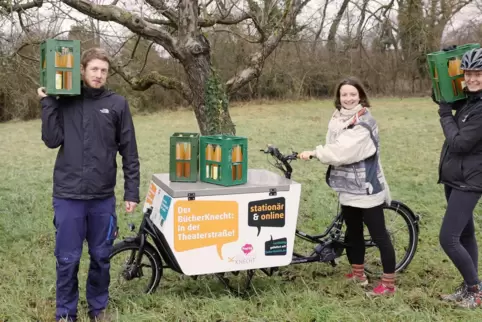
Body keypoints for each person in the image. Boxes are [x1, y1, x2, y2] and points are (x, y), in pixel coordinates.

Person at [39, 47, 140, 321]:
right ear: (82, 70)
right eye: (94, 69)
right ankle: (65, 313)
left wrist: (131, 192)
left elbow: (129, 150)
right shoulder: (66, 99)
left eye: (103, 70)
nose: (98, 75)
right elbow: (51, 140)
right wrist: (48, 102)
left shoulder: (117, 103)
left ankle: (98, 308)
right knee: (68, 259)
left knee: (101, 257)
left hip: (102, 197)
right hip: (68, 195)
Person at [298, 77, 396, 296]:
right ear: (338, 97)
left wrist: (316, 152)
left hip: (366, 188)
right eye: (344, 94)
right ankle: (358, 273)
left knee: (379, 235)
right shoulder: (338, 117)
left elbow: (342, 151)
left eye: (353, 94)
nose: (349, 98)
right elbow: (334, 143)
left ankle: (388, 284)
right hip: (348, 187)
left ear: (360, 95)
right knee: (354, 233)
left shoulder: (363, 122)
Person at [432, 47, 482, 308]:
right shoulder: (470, 100)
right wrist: (444, 67)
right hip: (456, 176)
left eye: (478, 74)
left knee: (448, 238)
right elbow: (440, 95)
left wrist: (444, 115)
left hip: (470, 180)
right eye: (469, 74)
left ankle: (476, 291)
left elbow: (460, 143)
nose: (472, 79)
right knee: (465, 235)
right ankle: (468, 287)